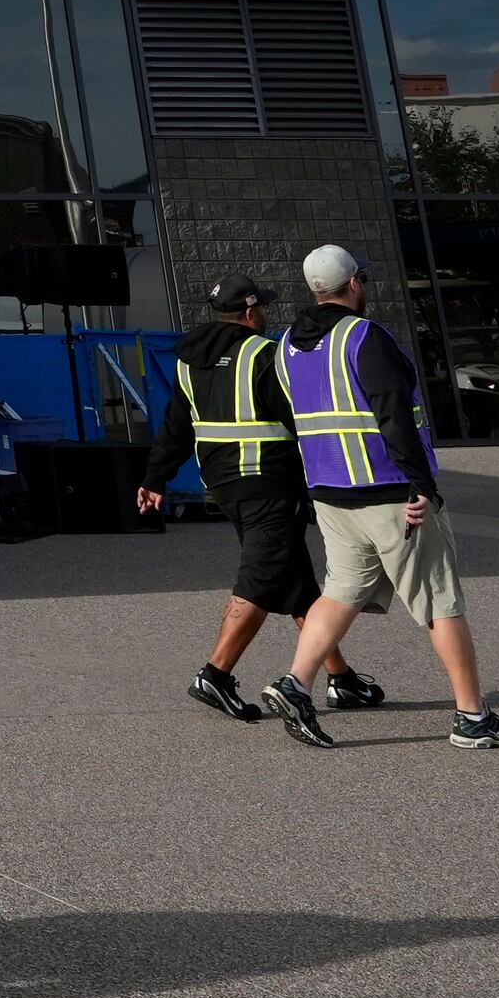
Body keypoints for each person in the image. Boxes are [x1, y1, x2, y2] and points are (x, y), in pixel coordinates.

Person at [265, 244, 499, 751]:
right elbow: (393, 414)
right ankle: (472, 718)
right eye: (361, 279)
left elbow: (295, 417)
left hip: (329, 490)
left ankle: (295, 684)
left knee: (341, 588)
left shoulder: (286, 347)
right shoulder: (364, 337)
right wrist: (423, 485)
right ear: (352, 285)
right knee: (439, 599)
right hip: (389, 490)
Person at [137, 272, 378, 722]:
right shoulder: (264, 354)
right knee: (260, 579)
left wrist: (155, 479)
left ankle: (342, 680)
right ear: (250, 312)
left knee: (296, 583)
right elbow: (301, 416)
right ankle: (215, 673)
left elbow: (175, 426)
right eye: (261, 307)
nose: (264, 313)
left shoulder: (188, 361)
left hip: (225, 486)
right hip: (267, 483)